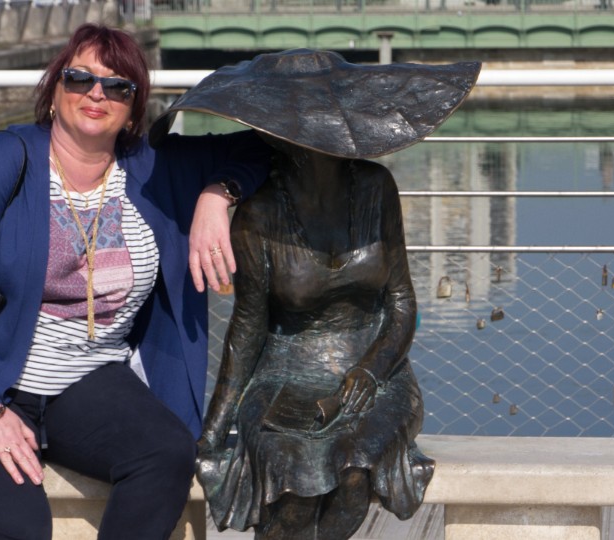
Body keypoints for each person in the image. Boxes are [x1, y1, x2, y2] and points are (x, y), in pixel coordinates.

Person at [0, 24, 270, 539]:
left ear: (134, 109)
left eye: (118, 86)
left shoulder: (154, 168)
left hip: (83, 383)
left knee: (166, 454)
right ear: (55, 90)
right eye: (80, 79)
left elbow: (267, 147)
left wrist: (218, 194)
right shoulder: (8, 156)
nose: (97, 94)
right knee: (17, 528)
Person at [149, 49, 481, 539]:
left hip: (374, 372)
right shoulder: (259, 215)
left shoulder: (376, 189)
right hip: (283, 372)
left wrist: (371, 370)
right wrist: (213, 432)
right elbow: (248, 328)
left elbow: (402, 303)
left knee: (354, 471)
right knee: (291, 481)